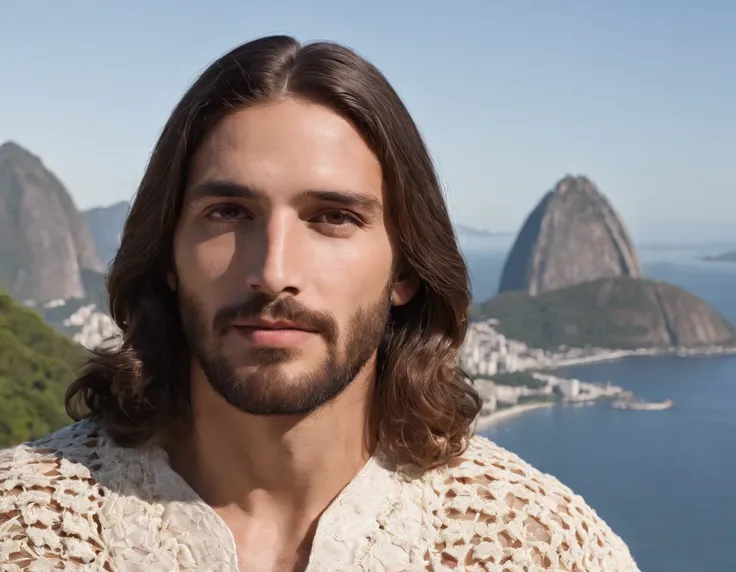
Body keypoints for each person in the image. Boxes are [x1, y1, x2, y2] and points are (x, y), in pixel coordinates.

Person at [0, 35, 640, 572]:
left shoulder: (542, 547)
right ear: (167, 254)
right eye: (228, 212)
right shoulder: (24, 530)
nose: (273, 272)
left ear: (406, 269)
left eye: (333, 217)